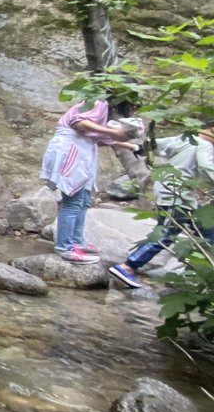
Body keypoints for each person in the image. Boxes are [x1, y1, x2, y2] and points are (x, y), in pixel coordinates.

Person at [109, 123, 214, 289]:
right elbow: (207, 167)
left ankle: (202, 271)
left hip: (173, 193)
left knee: (209, 229)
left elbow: (154, 145)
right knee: (166, 233)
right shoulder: (204, 145)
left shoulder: (186, 138)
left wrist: (124, 144)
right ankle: (128, 266)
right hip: (176, 196)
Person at [40, 97, 137, 264]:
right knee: (73, 201)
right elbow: (78, 122)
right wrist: (113, 132)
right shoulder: (98, 102)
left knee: (84, 201)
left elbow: (97, 138)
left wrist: (131, 145)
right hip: (71, 150)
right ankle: (65, 247)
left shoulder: (105, 109)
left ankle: (76, 241)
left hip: (81, 151)